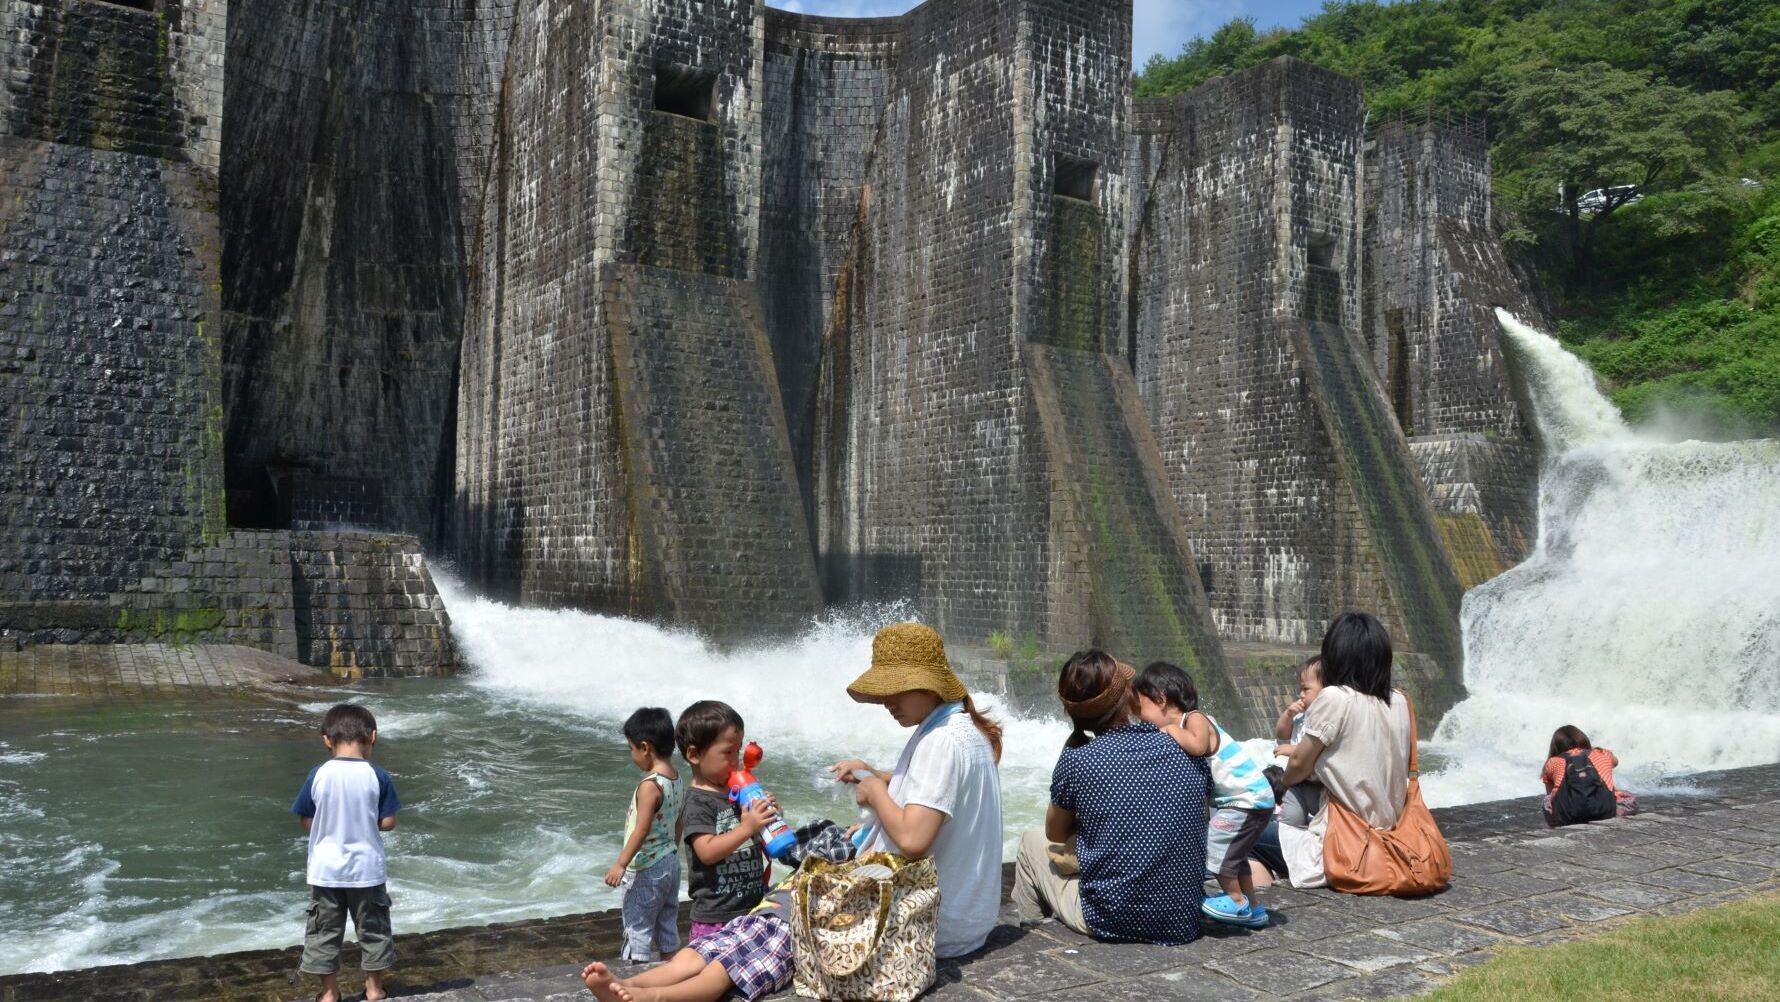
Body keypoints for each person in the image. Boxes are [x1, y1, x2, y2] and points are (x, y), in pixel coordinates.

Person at [581, 700, 790, 1002]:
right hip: (716, 915)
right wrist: (746, 827)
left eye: (739, 750)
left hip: (750, 911)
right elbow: (706, 851)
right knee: (689, 965)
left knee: (706, 973)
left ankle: (632, 991)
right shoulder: (697, 803)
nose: (736, 759)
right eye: (727, 752)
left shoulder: (737, 795)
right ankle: (627, 985)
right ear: (694, 755)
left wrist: (768, 817)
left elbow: (760, 840)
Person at [829, 621, 1005, 958]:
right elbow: (930, 785)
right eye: (885, 691)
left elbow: (913, 839)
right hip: (967, 918)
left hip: (930, 926)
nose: (887, 702)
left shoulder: (940, 742)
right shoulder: (965, 730)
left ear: (930, 687)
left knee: (792, 893)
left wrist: (875, 792)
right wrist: (873, 774)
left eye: (898, 690)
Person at [1012, 651, 1211, 945]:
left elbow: (1053, 833)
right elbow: (1198, 814)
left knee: (1031, 841)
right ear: (1127, 697)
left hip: (1112, 920)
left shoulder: (1079, 759)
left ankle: (1033, 939)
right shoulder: (1182, 746)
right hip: (1184, 918)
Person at [1277, 612, 1417, 890]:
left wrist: (1289, 777)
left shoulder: (1335, 697)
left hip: (1341, 844)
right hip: (1391, 835)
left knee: (1247, 834)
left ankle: (1248, 900)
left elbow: (1297, 769)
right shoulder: (1400, 700)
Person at [1134, 662, 1276, 929]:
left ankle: (1235, 901)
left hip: (1246, 800)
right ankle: (1255, 908)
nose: (1140, 718)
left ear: (1161, 699)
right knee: (1236, 858)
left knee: (1216, 849)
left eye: (1141, 708)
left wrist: (1172, 731)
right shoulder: (1189, 722)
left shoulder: (1195, 718)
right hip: (1252, 800)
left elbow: (1198, 747)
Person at [292, 703, 401, 1002]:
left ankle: (329, 993)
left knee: (323, 933)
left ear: (327, 739)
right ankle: (375, 990)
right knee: (373, 931)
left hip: (326, 872)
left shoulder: (318, 774)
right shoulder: (377, 776)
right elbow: (388, 822)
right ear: (373, 737)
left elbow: (306, 820)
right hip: (366, 871)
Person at [605, 707, 686, 963]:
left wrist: (621, 863)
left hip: (646, 866)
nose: (632, 755)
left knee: (637, 925)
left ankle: (634, 977)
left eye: (631, 748)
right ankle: (673, 974)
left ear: (645, 747)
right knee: (667, 925)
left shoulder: (650, 786)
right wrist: (671, 848)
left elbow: (641, 830)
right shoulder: (677, 779)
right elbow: (679, 820)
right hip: (670, 862)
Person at [1541, 725, 1639, 827]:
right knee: (1626, 796)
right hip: (1606, 811)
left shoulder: (1552, 762)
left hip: (1568, 817)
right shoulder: (1602, 753)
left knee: (1547, 800)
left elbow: (1550, 794)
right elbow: (1616, 761)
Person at [1272, 657, 1326, 827]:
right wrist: (1288, 715)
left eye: (1306, 689)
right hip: (1299, 784)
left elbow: (1318, 752)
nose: (1300, 694)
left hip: (1323, 788)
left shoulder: (1326, 721)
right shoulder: (1302, 717)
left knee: (1324, 825)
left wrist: (1293, 750)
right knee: (1290, 822)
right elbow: (1282, 734)